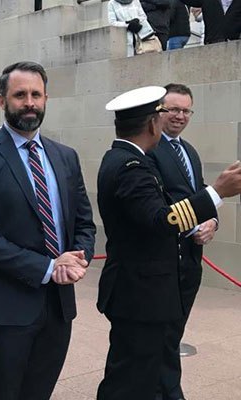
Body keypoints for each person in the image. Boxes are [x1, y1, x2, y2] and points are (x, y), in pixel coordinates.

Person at [0, 61, 96, 400]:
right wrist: (49, 268)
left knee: (39, 392)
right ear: (2, 102)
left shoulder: (66, 156)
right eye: (20, 95)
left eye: (36, 94)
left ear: (47, 98)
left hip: (58, 308)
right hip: (5, 308)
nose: (30, 102)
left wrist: (79, 257)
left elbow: (84, 222)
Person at [96, 86, 241, 400]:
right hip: (139, 292)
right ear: (153, 124)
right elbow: (161, 221)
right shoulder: (131, 167)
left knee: (145, 372)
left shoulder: (129, 158)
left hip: (147, 289)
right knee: (128, 380)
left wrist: (210, 213)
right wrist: (218, 192)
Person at [145, 83, 214, 399]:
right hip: (163, 260)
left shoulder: (189, 151)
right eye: (173, 109)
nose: (180, 116)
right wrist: (190, 227)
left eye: (186, 110)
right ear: (158, 111)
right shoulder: (149, 150)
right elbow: (158, 208)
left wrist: (212, 221)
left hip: (190, 262)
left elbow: (199, 193)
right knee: (161, 336)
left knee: (172, 334)